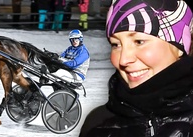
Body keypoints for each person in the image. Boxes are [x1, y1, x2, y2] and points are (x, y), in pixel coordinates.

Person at [79, 0, 193, 136]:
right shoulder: (98, 124)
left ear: (179, 47)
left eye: (139, 41)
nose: (123, 59)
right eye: (116, 44)